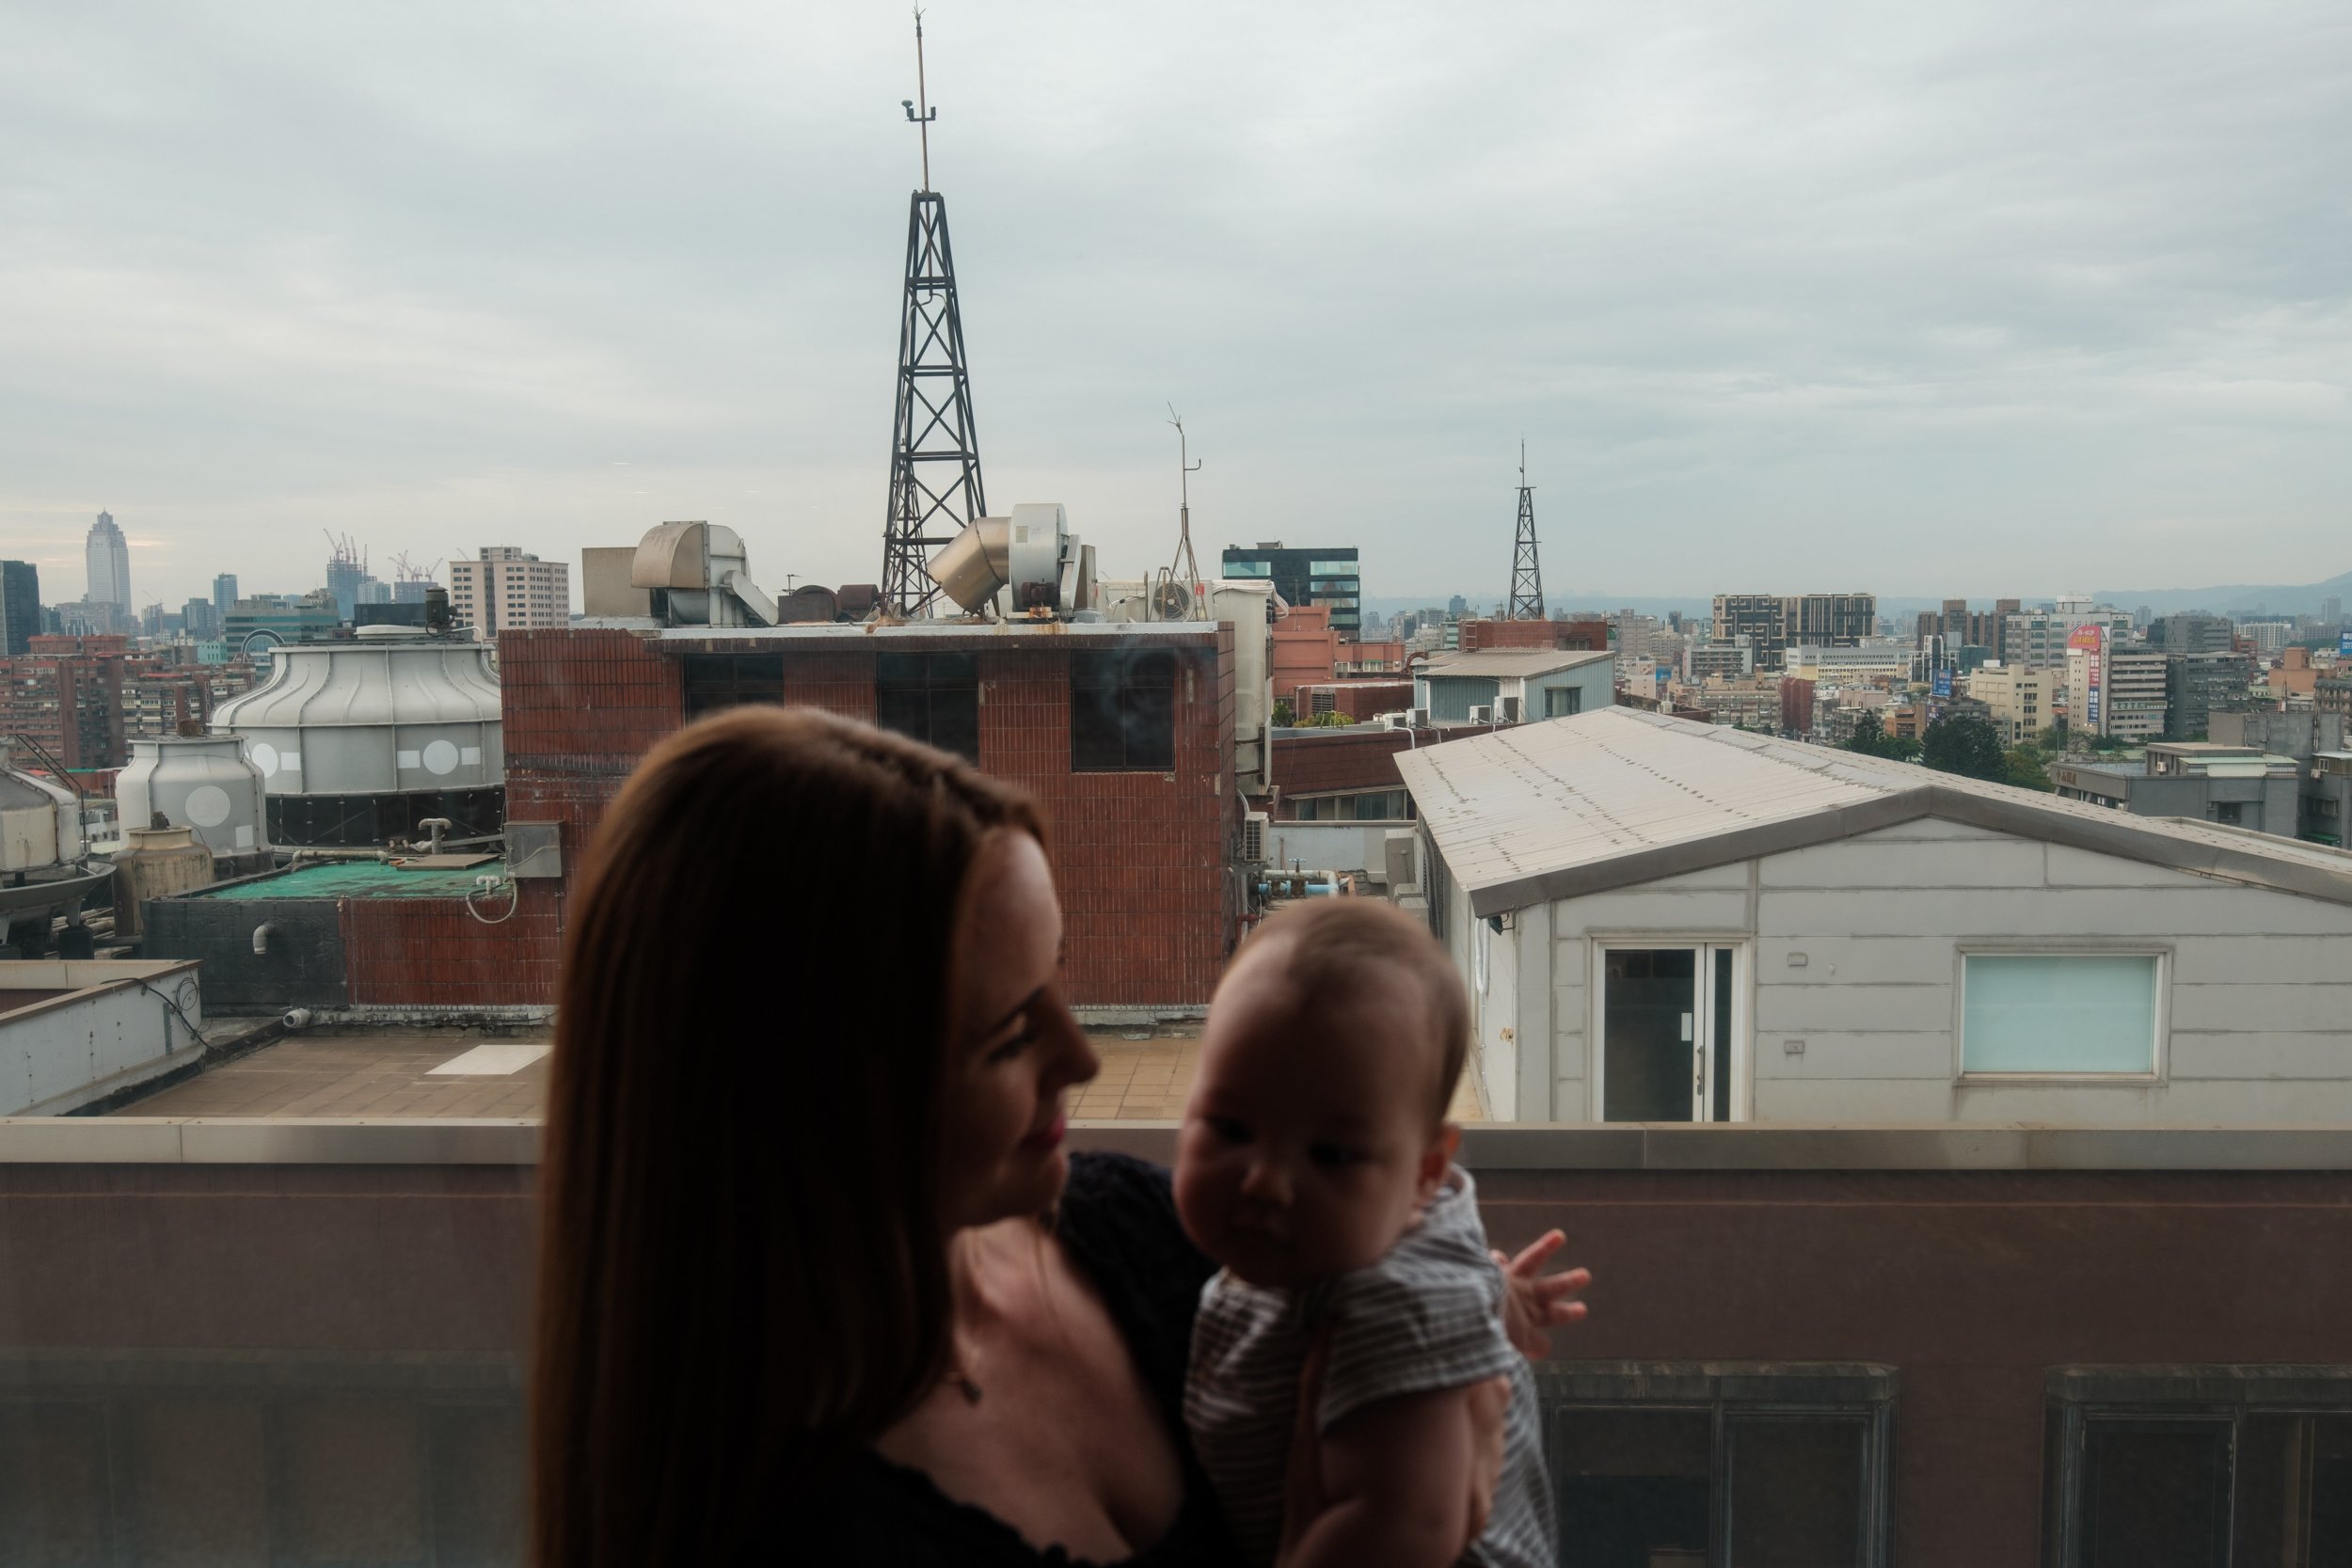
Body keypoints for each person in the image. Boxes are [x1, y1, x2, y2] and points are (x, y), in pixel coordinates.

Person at [532, 706, 1588, 1565]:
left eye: (1058, 977)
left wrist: (1468, 1307)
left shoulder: (1131, 1231)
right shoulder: (786, 1517)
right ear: (815, 1094)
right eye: (1004, 1033)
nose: (1081, 1057)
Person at [1178, 900, 1553, 1568]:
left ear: (1424, 1174)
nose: (1265, 1180)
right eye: (1230, 1128)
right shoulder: (1342, 1256)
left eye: (1331, 1154)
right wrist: (1490, 1289)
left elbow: (1407, 1526)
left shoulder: (1390, 1307)